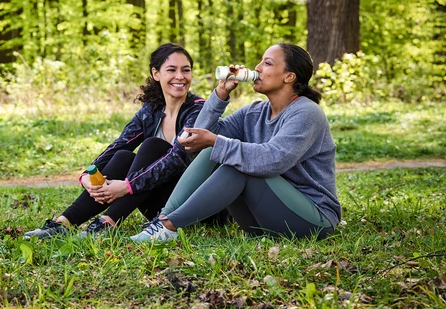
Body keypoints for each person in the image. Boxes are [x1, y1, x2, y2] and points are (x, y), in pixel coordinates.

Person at [131, 43, 341, 242]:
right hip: (261, 219)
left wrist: (216, 141)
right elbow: (199, 135)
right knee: (213, 150)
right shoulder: (254, 112)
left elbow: (274, 159)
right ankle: (163, 221)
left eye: (267, 63)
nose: (257, 68)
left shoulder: (306, 112)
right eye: (260, 61)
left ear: (289, 76)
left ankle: (169, 226)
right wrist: (220, 94)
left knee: (236, 165)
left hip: (313, 220)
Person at [24, 43, 205, 240]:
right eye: (172, 70)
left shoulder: (198, 110)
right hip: (156, 203)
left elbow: (176, 159)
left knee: (153, 146)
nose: (180, 76)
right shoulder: (152, 110)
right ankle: (65, 223)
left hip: (189, 203)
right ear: (156, 73)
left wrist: (127, 186)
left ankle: (108, 222)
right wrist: (88, 174)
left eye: (185, 70)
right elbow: (121, 143)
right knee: (123, 156)